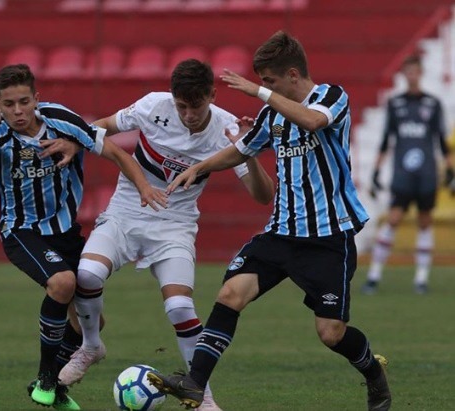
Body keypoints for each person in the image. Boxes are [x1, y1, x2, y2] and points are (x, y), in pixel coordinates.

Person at [145, 31, 392, 411]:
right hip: (280, 233)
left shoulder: (332, 97)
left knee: (331, 333)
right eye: (262, 84)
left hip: (328, 237)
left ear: (293, 75)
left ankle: (373, 373)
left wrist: (257, 92)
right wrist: (199, 167)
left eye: (270, 81)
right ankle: (195, 382)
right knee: (229, 295)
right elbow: (240, 150)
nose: (265, 88)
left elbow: (312, 121)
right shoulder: (272, 113)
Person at [48, 59, 275, 411]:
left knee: (180, 306)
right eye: (181, 106)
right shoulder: (153, 105)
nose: (188, 115)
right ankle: (91, 345)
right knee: (87, 274)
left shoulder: (228, 129)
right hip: (126, 212)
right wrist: (78, 141)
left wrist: (250, 151)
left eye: (195, 106)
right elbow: (105, 126)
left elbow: (263, 196)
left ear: (212, 96)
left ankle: (202, 395)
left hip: (176, 226)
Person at [0, 64, 167, 410]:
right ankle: (47, 378)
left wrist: (145, 187)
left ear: (36, 99)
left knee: (92, 322)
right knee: (62, 283)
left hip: (65, 231)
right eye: (9, 104)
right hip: (21, 230)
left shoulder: (62, 120)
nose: (17, 111)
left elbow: (117, 152)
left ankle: (56, 390)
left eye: (24, 102)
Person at [362, 54, 454, 295]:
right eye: (408, 72)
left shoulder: (433, 104)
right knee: (392, 220)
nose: (411, 76)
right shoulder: (395, 104)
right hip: (403, 173)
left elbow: (442, 143)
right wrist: (375, 171)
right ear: (403, 74)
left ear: (420, 73)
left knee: (425, 222)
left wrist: (451, 171)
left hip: (426, 174)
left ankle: (421, 279)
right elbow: (385, 140)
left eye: (415, 71)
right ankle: (373, 276)